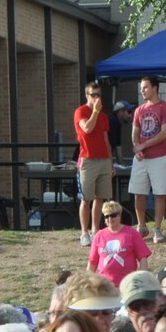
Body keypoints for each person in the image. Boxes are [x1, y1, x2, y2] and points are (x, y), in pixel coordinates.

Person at [128, 77, 166, 243]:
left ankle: (157, 228)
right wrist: (137, 147)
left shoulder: (165, 108)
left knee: (160, 193)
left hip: (159, 157)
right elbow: (135, 132)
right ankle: (141, 226)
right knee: (138, 191)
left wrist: (143, 145)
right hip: (141, 158)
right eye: (142, 88)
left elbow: (164, 133)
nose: (143, 90)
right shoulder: (139, 110)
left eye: (146, 87)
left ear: (155, 88)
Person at [73, 81, 114, 247]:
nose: (96, 98)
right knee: (86, 198)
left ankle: (95, 230)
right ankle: (84, 232)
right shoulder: (80, 111)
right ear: (86, 95)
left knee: (100, 197)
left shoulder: (104, 116)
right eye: (93, 95)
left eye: (99, 95)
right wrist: (95, 111)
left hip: (103, 159)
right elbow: (87, 128)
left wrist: (111, 162)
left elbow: (105, 139)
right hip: (87, 159)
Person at [88, 200, 151, 285]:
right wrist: (88, 282)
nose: (110, 219)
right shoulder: (99, 235)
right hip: (105, 285)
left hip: (128, 283)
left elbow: (142, 258)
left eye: (113, 215)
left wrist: (142, 279)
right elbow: (92, 263)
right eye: (107, 216)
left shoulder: (132, 233)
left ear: (119, 215)